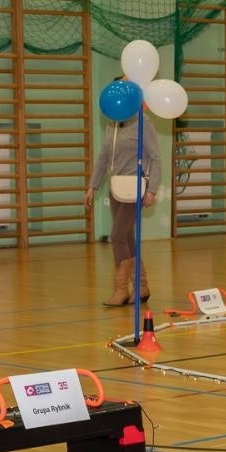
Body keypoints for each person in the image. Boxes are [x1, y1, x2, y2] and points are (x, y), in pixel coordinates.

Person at [86, 95, 161, 307]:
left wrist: (152, 189)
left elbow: (155, 157)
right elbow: (103, 157)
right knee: (127, 239)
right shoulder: (113, 123)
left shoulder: (143, 122)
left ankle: (121, 290)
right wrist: (93, 186)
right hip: (116, 187)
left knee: (117, 236)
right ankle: (142, 287)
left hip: (136, 188)